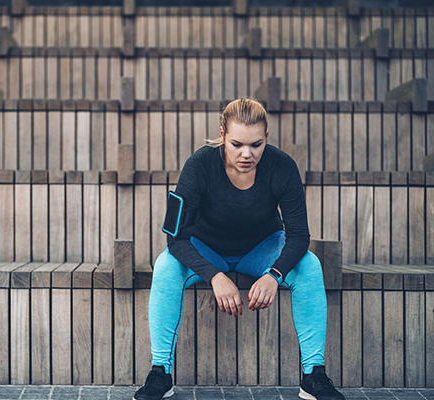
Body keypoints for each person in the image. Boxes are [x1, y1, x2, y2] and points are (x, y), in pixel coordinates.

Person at [133, 98, 345, 400]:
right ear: (222, 136)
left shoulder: (283, 166)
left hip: (263, 248)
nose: (247, 154)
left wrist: (274, 275)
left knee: (309, 265)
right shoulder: (198, 165)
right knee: (165, 266)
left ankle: (314, 375)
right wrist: (215, 276)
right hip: (206, 248)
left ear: (267, 137)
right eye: (236, 144)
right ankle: (159, 373)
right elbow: (175, 238)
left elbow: (299, 235)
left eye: (256, 145)